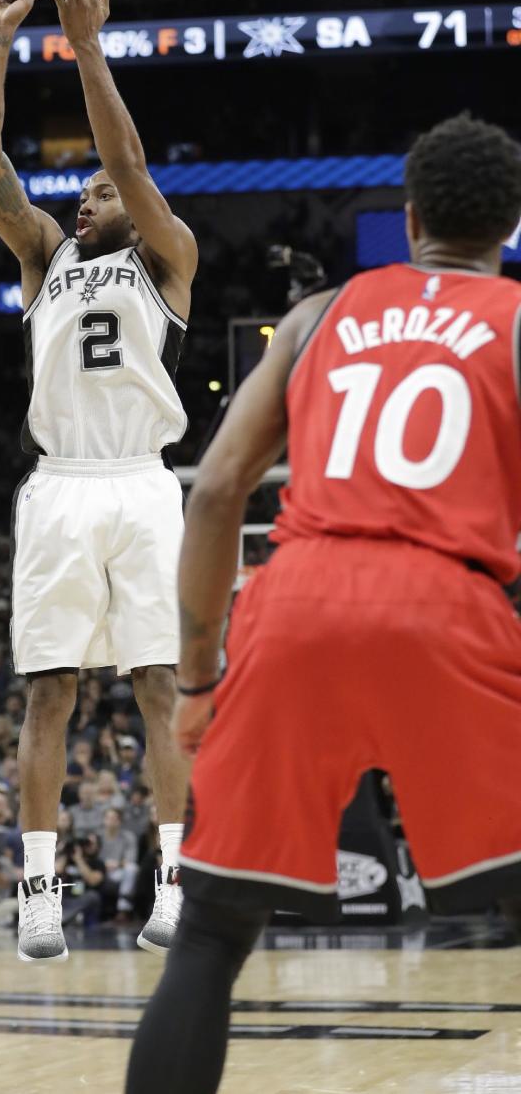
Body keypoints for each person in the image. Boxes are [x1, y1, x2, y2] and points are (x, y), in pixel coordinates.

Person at [127, 113, 521, 1093]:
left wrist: (194, 676)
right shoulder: (516, 321)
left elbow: (216, 491)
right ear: (509, 229)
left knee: (212, 934)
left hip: (295, 595)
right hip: (448, 601)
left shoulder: (315, 318)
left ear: (410, 214)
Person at [0, 0, 198, 963]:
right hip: (59, 486)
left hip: (145, 482)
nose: (88, 198)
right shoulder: (41, 260)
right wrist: (1, 35)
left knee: (159, 686)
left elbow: (134, 163)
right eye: (85, 191)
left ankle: (177, 886)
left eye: (100, 192)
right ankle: (41, 894)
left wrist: (89, 50)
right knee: (49, 692)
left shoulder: (169, 255)